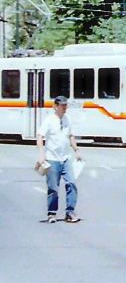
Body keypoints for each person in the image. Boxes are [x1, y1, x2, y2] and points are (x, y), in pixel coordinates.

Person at [36, 95, 82, 223]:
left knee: (71, 183)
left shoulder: (67, 119)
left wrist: (76, 150)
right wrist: (41, 153)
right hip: (52, 159)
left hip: (66, 158)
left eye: (65, 105)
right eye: (62, 105)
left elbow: (71, 135)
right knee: (53, 188)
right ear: (55, 107)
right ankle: (52, 213)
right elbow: (40, 136)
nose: (64, 108)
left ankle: (70, 212)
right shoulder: (49, 120)